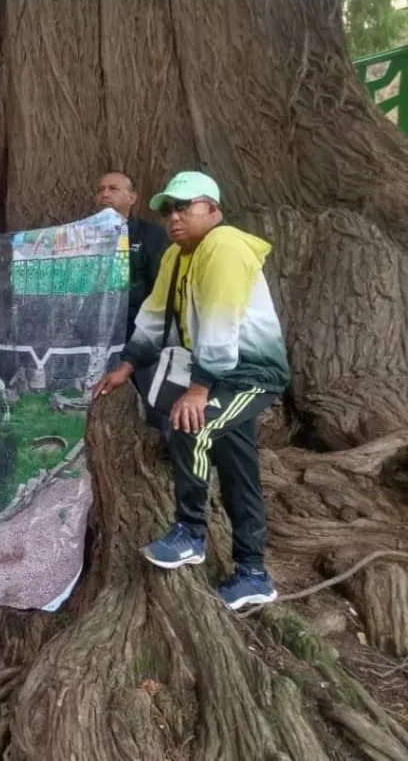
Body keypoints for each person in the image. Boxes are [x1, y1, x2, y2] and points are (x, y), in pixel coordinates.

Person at [93, 171, 291, 611]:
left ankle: (190, 532)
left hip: (249, 373)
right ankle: (253, 573)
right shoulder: (178, 256)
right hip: (220, 373)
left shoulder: (224, 246)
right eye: (168, 210)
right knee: (239, 469)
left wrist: (198, 391)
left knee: (190, 425)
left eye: (185, 207)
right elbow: (153, 313)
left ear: (213, 211)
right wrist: (126, 366)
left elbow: (220, 327)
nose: (175, 217)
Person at [94, 171, 170, 433]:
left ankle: (166, 458)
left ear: (132, 198)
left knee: (157, 405)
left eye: (113, 189)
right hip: (98, 340)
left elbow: (161, 292)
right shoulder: (85, 238)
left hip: (142, 337)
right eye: (101, 190)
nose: (105, 194)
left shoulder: (152, 236)